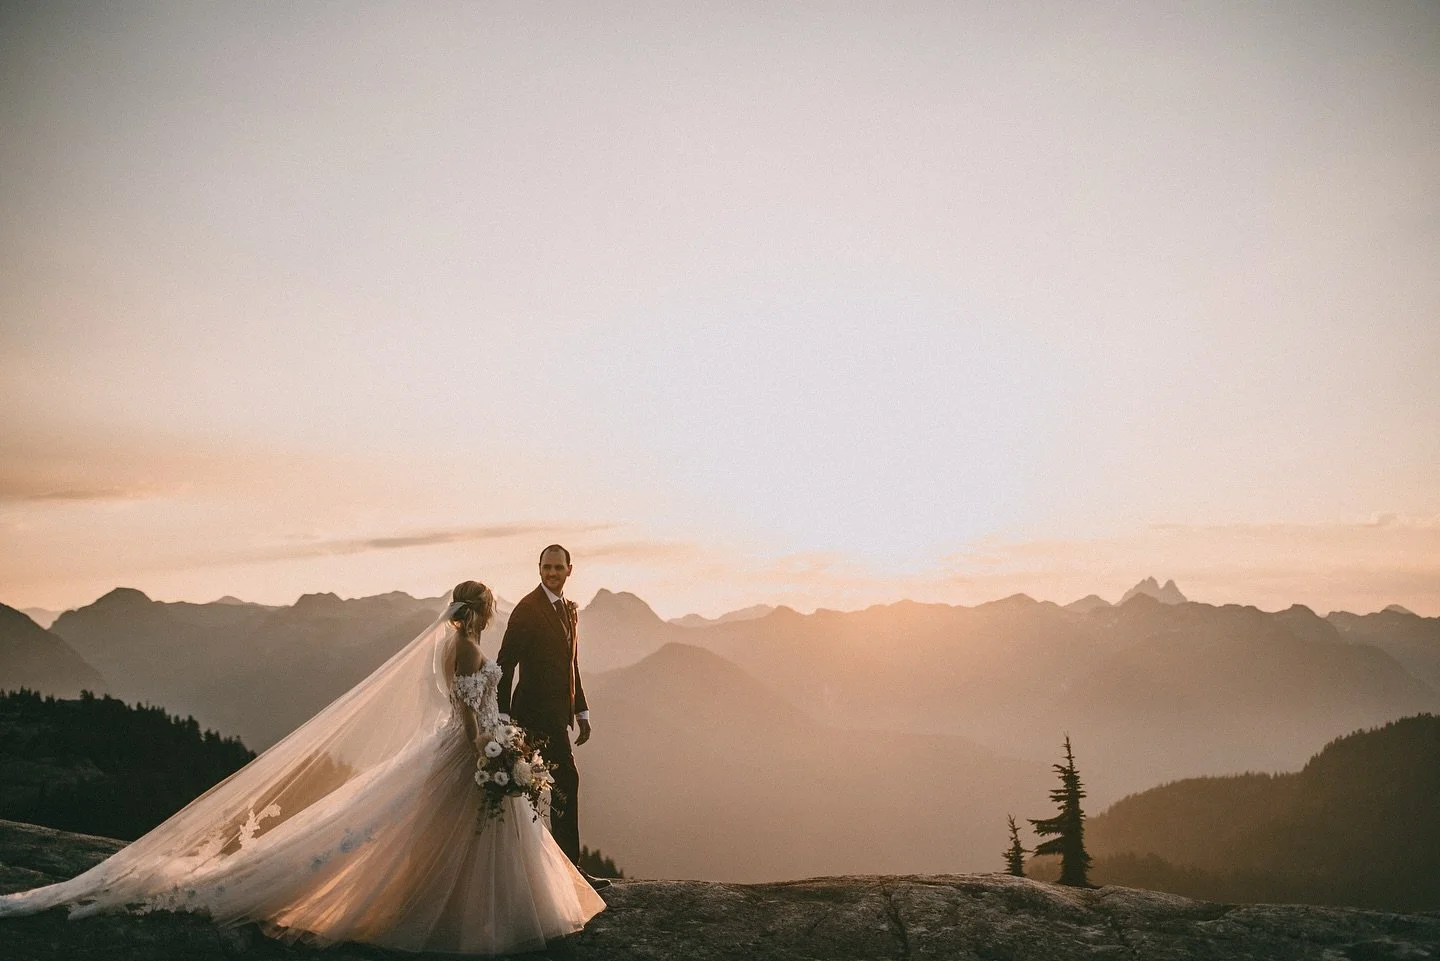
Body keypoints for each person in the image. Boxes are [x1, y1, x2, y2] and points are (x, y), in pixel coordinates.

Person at [0, 580, 605, 955]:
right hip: (469, 747)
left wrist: (494, 738)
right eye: (489, 610)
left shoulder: (453, 647)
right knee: (446, 831)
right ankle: (474, 916)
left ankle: (459, 907)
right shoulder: (470, 649)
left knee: (432, 833)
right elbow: (472, 713)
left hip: (462, 742)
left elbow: (466, 703)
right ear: (477, 614)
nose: (492, 618)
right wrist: (490, 751)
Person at [497, 544, 608, 890]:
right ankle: (556, 873)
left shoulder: (570, 611)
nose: (551, 573)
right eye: (546, 567)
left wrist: (582, 710)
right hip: (528, 718)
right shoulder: (527, 610)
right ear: (539, 568)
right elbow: (505, 664)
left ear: (569, 570)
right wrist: (503, 718)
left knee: (552, 788)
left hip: (558, 717)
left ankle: (561, 871)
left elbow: (570, 665)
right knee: (529, 790)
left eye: (558, 568)